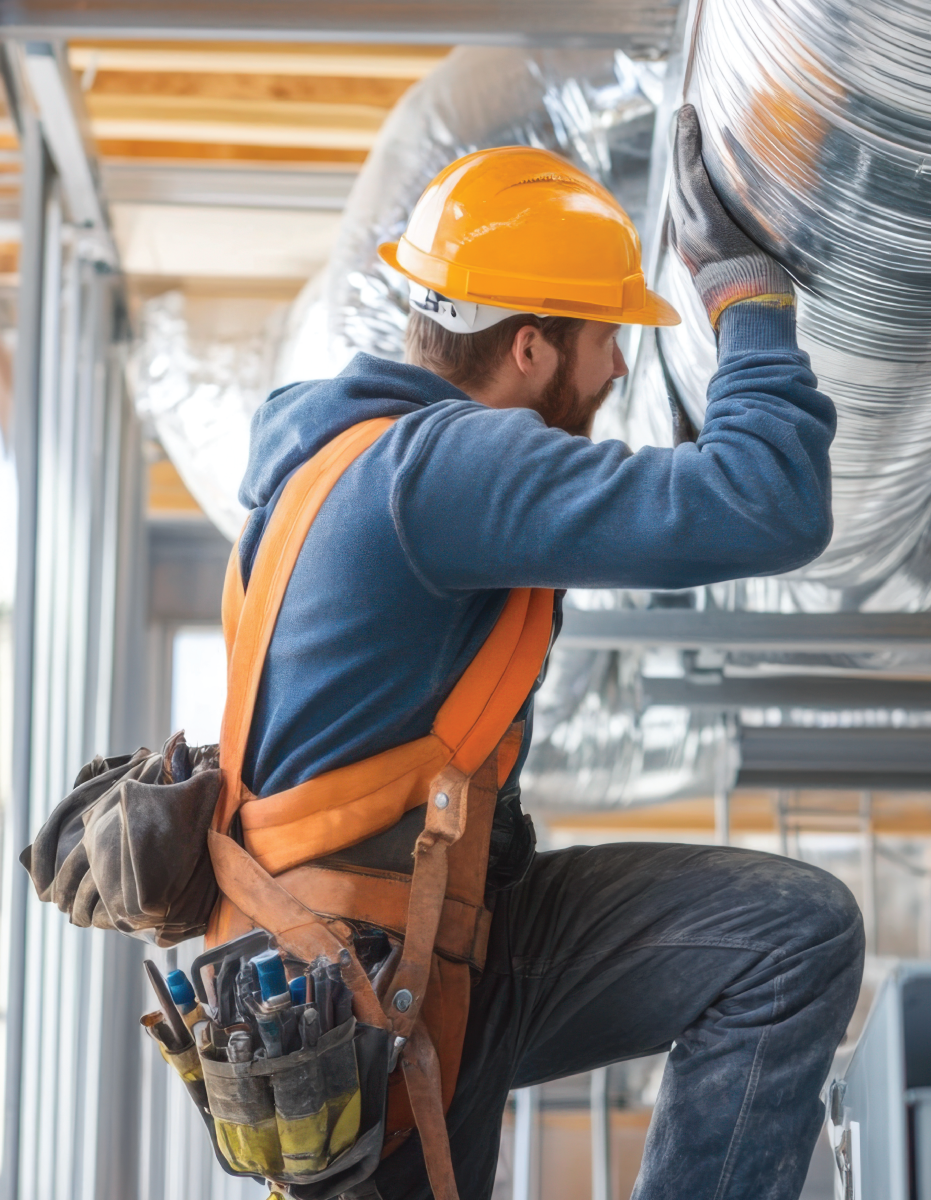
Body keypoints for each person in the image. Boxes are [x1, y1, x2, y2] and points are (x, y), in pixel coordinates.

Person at [234, 105, 863, 1199]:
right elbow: (768, 503)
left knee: (788, 938)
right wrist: (749, 301)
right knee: (791, 939)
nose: (621, 365)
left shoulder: (357, 457)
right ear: (528, 347)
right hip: (375, 992)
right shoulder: (443, 472)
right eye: (604, 335)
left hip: (431, 944)